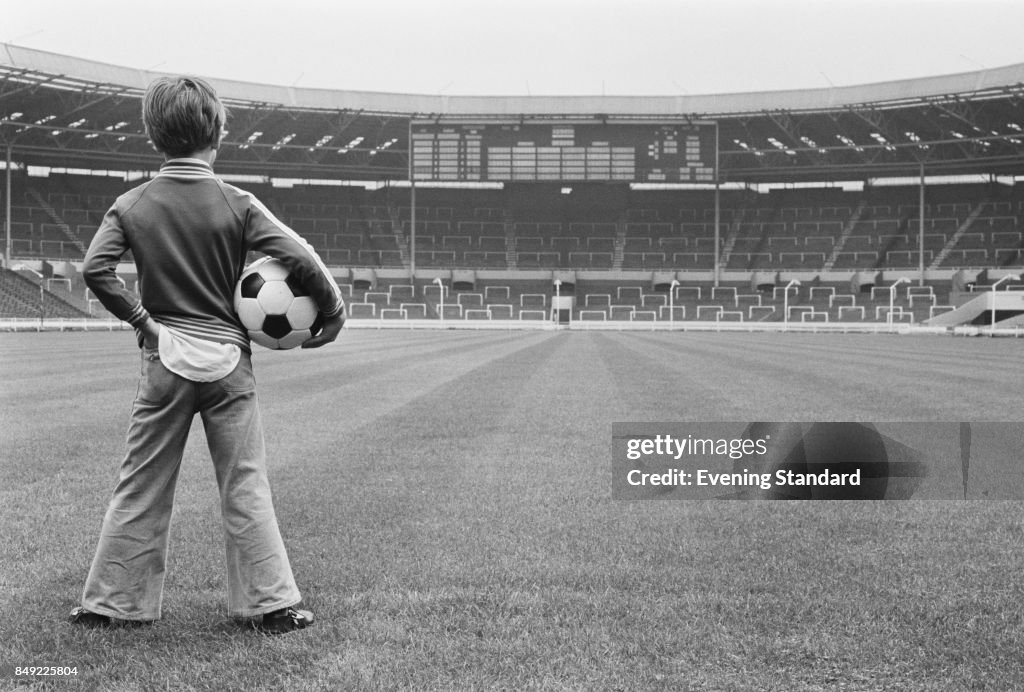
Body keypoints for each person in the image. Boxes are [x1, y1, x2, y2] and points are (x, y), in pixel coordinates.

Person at [70, 75, 345, 634]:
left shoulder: (131, 204)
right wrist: (333, 313)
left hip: (164, 361)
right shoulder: (238, 203)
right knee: (244, 481)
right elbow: (301, 257)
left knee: (141, 480)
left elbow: (95, 270)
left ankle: (113, 606)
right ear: (216, 135)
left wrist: (143, 322)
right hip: (228, 365)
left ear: (154, 136)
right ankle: (269, 606)